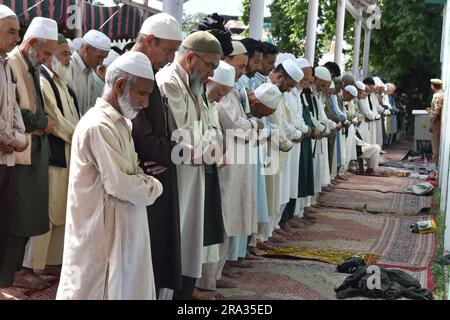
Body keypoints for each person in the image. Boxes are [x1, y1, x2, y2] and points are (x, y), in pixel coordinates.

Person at [57, 51, 163, 300]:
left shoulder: (121, 123)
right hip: (101, 232)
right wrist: (155, 186)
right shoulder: (99, 126)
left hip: (122, 229)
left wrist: (141, 181)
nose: (146, 103)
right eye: (142, 93)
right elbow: (122, 185)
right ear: (119, 86)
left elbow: (132, 176)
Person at [156, 31, 222, 299]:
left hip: (194, 175)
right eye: (211, 66)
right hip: (176, 177)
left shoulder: (196, 86)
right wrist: (209, 149)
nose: (212, 74)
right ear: (191, 57)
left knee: (190, 243)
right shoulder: (169, 82)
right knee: (172, 244)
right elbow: (182, 135)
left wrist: (209, 147)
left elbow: (212, 132)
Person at [0, 17, 58, 297]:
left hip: (32, 154)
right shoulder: (10, 63)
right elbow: (12, 113)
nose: (48, 60)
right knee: (14, 222)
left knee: (25, 222)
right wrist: (41, 122)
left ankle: (9, 279)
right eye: (46, 53)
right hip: (18, 154)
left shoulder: (30, 65)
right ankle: (5, 282)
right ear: (33, 44)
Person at [131, 12, 184, 299]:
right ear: (149, 40)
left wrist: (171, 155)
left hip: (157, 170)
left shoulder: (147, 70)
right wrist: (175, 154)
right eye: (167, 51)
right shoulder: (132, 71)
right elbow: (141, 133)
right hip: (143, 172)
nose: (169, 58)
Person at [22, 34, 80, 277]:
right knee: (47, 210)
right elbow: (55, 121)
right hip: (54, 155)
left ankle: (52, 261)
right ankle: (31, 265)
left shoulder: (62, 82)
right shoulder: (44, 81)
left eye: (68, 53)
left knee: (61, 210)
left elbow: (73, 118)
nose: (68, 58)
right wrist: (79, 137)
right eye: (63, 53)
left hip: (68, 154)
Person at [0, 5, 28, 300]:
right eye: (11, 32)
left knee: (3, 225)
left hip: (6, 159)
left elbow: (15, 109)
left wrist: (18, 139)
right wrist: (10, 138)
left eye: (18, 32)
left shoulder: (6, 64)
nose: (16, 38)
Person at [70, 30, 111, 115]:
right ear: (87, 49)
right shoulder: (69, 67)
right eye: (99, 57)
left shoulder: (90, 73)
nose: (101, 63)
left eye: (103, 58)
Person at [428, 79, 445, 165]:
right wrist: (430, 110)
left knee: (435, 146)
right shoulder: (441, 94)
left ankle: (436, 166)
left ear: (433, 86)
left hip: (436, 123)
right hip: (439, 122)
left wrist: (431, 124)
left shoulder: (437, 96)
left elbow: (436, 111)